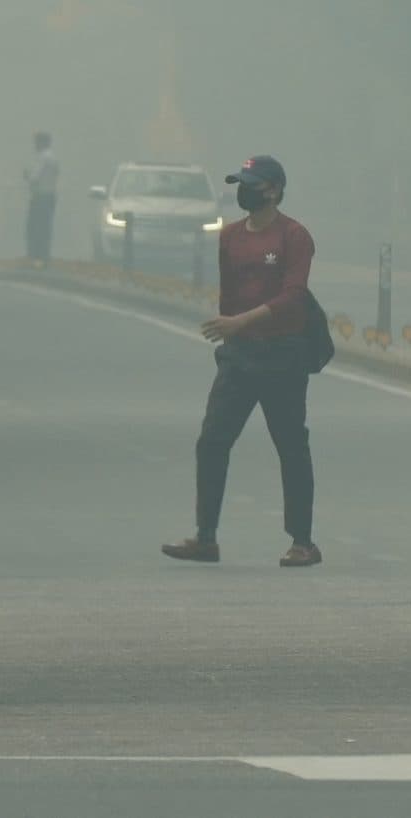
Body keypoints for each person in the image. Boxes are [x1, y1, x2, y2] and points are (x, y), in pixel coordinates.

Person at [163, 154, 322, 569]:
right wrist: (231, 335)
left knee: (290, 446)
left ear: (272, 190)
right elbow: (229, 296)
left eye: (250, 183)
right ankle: (205, 537)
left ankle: (302, 541)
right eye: (240, 182)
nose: (243, 191)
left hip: (283, 355)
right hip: (239, 357)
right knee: (212, 441)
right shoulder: (230, 237)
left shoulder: (294, 236)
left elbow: (293, 297)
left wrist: (241, 322)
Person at [24, 130, 60, 263]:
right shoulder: (54, 159)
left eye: (37, 142)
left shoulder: (42, 158)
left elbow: (35, 178)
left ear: (42, 143)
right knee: (46, 227)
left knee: (34, 227)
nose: (35, 145)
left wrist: (27, 176)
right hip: (51, 196)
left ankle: (35, 256)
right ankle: (44, 255)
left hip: (40, 197)